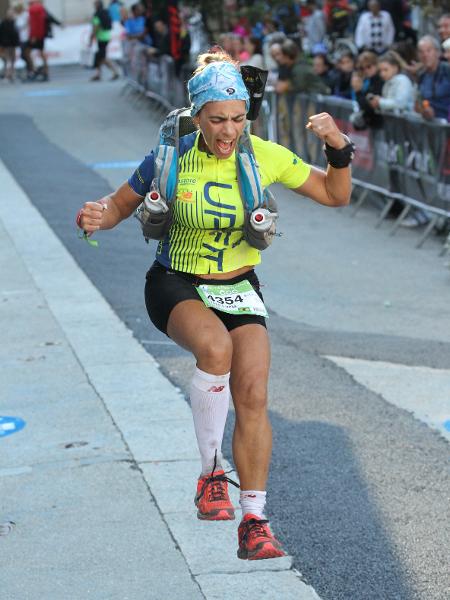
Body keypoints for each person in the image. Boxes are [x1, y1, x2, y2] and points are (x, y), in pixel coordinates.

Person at [76, 49, 353, 561]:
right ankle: (210, 475)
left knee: (253, 391)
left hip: (240, 285)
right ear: (196, 116)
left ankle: (254, 519)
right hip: (176, 281)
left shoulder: (262, 154)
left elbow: (335, 195)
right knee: (215, 349)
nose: (228, 131)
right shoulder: (170, 156)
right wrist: (98, 214)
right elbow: (120, 204)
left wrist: (338, 148)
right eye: (218, 120)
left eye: (238, 118)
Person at [415, 35, 450, 121]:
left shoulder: (447, 71)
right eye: (421, 52)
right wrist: (422, 109)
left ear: (438, 53)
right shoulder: (421, 76)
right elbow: (419, 101)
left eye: (429, 51)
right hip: (430, 125)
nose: (425, 55)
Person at [90, 0, 119, 81]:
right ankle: (98, 74)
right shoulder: (106, 12)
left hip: (101, 37)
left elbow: (96, 26)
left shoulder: (97, 14)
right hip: (106, 36)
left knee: (102, 57)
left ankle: (115, 72)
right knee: (99, 56)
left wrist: (92, 37)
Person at [0, 9, 20, 82]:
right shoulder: (4, 23)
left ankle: (12, 73)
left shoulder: (14, 22)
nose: (11, 15)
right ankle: (7, 75)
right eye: (9, 14)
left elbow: (16, 34)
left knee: (13, 59)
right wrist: (2, 44)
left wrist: (17, 43)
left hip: (13, 44)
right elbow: (1, 34)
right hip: (6, 44)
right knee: (8, 59)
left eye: (12, 14)